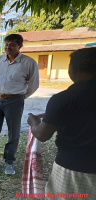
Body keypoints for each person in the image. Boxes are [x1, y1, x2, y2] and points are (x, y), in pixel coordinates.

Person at [27, 47, 96, 197]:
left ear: (73, 69)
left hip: (73, 168)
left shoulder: (63, 98)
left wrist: (33, 121)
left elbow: (43, 134)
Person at [0, 34, 39, 175]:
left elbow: (33, 84)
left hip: (15, 101)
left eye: (12, 44)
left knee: (14, 132)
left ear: (20, 46)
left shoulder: (28, 62)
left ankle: (9, 161)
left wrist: (20, 97)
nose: (8, 47)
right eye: (6, 44)